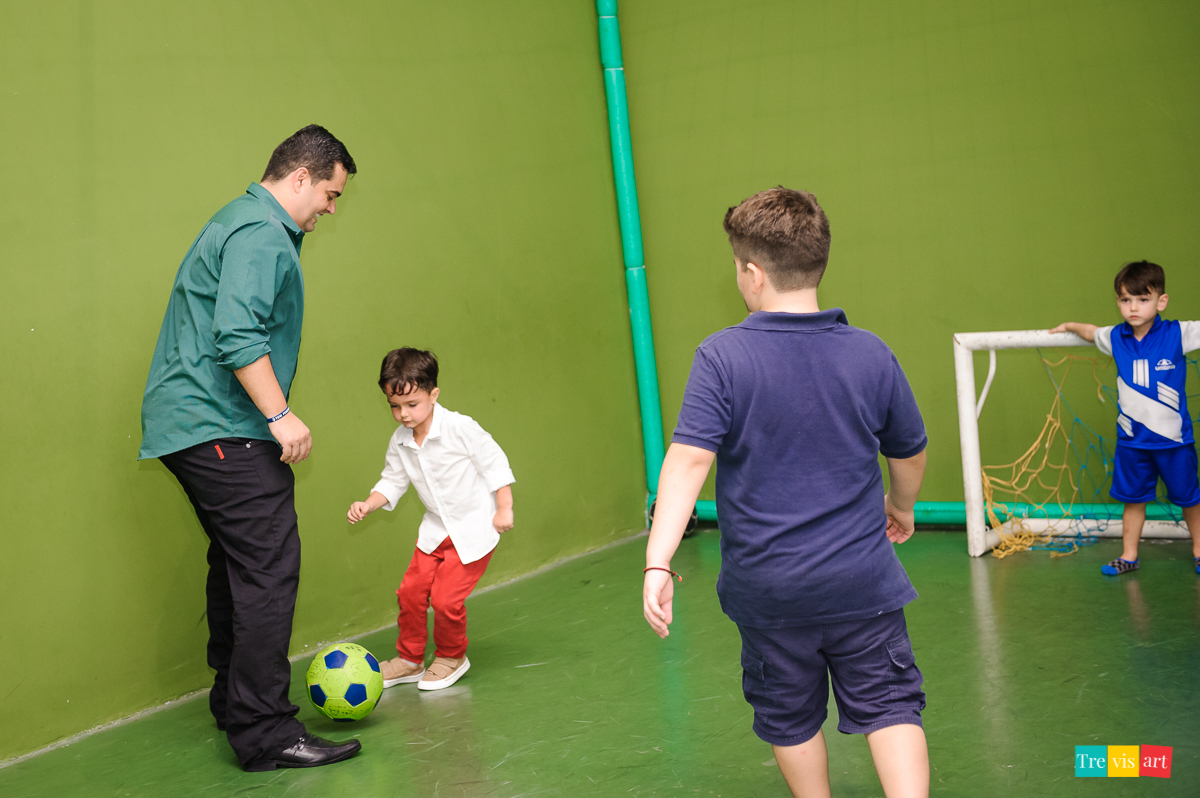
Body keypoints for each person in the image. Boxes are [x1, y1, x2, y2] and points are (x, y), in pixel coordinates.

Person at [642, 188, 931, 798]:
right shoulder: (870, 352)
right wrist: (901, 507)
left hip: (768, 590)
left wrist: (658, 560)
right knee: (891, 704)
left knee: (789, 716)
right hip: (862, 583)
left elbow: (688, 461)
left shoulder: (721, 357)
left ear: (752, 273)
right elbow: (908, 451)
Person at [140, 125, 362, 771]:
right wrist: (281, 416)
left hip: (195, 425)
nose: (330, 209)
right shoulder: (261, 231)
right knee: (268, 567)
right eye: (330, 194)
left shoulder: (237, 219)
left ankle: (233, 702)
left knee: (237, 563)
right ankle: (265, 734)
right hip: (221, 424)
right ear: (300, 177)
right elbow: (237, 332)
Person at [347, 348, 515, 691]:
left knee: (445, 600)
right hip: (435, 531)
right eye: (395, 406)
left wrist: (504, 508)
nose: (403, 414)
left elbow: (495, 464)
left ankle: (452, 656)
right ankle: (410, 660)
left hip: (474, 529)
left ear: (433, 394)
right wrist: (368, 503)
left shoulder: (460, 428)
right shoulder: (400, 441)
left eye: (412, 404)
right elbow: (393, 481)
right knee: (409, 594)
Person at [1050, 261, 1200, 576]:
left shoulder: (1178, 333)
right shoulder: (1115, 337)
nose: (1133, 307)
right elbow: (1091, 332)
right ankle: (1129, 555)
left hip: (1174, 442)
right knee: (1133, 500)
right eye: (1125, 299)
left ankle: (1199, 551)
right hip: (1132, 443)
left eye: (1143, 299)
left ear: (1161, 301)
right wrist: (1070, 325)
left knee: (1190, 499)